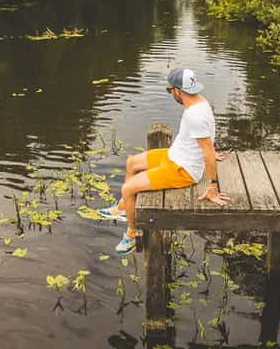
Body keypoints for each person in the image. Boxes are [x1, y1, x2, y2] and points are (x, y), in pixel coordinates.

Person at [99, 68, 230, 255]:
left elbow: (206, 148)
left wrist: (212, 186)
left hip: (183, 169)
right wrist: (208, 149)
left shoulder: (195, 115)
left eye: (170, 91)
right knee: (131, 163)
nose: (171, 95)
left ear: (177, 91)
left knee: (127, 189)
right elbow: (207, 136)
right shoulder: (200, 101)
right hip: (175, 154)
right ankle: (122, 208)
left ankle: (131, 234)